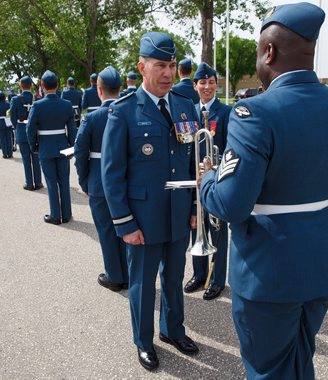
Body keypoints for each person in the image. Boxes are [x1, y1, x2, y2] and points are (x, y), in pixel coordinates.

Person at [199, 3, 328, 378]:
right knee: (298, 359)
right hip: (322, 261)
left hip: (268, 271)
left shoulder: (254, 113)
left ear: (270, 52)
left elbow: (230, 205)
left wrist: (208, 179)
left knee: (268, 370)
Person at [101, 31, 199, 371]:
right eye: (160, 65)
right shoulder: (124, 111)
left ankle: (172, 330)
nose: (168, 73)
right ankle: (143, 342)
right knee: (142, 286)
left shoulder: (187, 106)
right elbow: (112, 174)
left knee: (173, 278)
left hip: (177, 214)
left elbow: (192, 163)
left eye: (172, 65)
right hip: (142, 219)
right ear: (142, 67)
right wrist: (124, 223)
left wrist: (194, 208)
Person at [74, 66, 129, 291]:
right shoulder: (129, 112)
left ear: (99, 90)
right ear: (121, 89)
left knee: (106, 230)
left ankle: (114, 276)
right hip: (126, 180)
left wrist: (84, 181)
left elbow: (79, 153)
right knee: (127, 228)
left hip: (98, 182)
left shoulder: (92, 117)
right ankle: (128, 272)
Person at [184, 62, 230, 301]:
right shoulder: (189, 112)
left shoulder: (226, 112)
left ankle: (217, 279)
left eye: (211, 82)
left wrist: (214, 165)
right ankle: (199, 274)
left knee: (218, 231)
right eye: (203, 82)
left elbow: (232, 149)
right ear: (195, 85)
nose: (207, 87)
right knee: (196, 228)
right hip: (195, 182)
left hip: (217, 181)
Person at [27, 70, 76, 225]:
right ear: (58, 85)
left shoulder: (37, 105)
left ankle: (55, 215)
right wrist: (71, 148)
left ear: (42, 85)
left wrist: (34, 145)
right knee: (64, 181)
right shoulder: (66, 105)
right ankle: (66, 214)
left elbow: (30, 129)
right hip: (62, 146)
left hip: (46, 147)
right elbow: (72, 129)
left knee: (51, 182)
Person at [10, 76, 43, 191]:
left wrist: (16, 127)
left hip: (22, 130)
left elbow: (13, 117)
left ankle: (29, 183)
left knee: (25, 158)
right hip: (34, 131)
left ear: (21, 85)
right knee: (36, 157)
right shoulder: (37, 99)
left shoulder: (15, 99)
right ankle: (38, 182)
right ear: (30, 85)